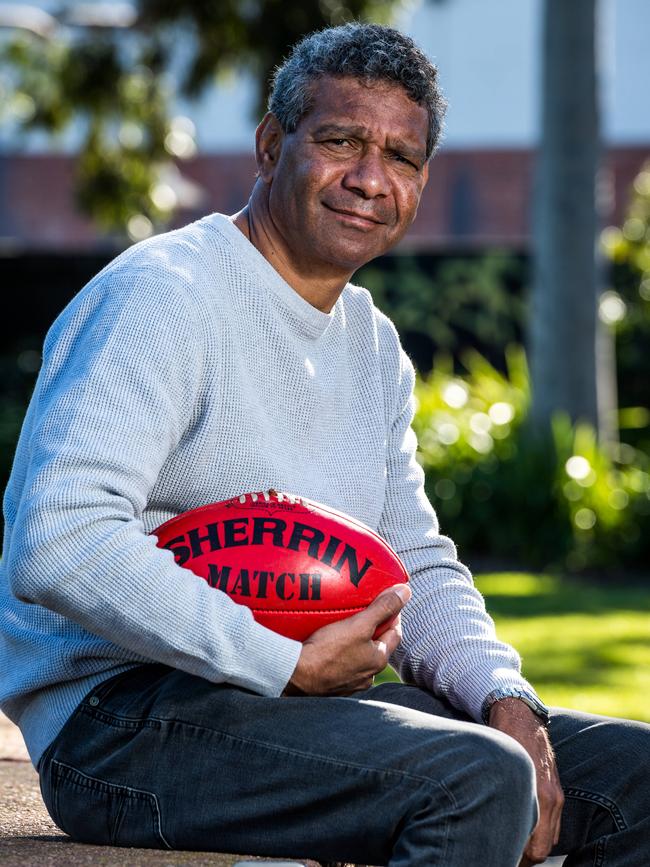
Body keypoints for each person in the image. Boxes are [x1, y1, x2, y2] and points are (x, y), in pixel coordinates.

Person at [0, 22, 648, 867]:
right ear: (272, 146)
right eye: (341, 140)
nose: (370, 179)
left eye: (402, 157)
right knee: (477, 779)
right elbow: (60, 538)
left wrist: (505, 697)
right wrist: (281, 661)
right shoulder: (163, 296)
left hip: (274, 707)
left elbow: (410, 557)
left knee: (631, 773)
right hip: (120, 724)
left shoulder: (371, 344)